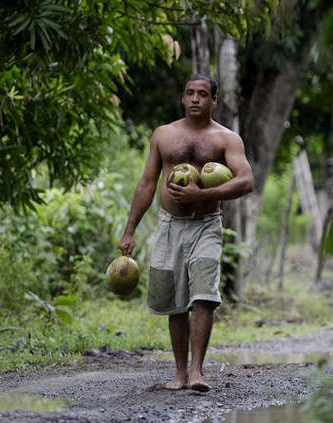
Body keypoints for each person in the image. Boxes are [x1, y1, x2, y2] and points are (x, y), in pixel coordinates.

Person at [118, 73, 253, 392]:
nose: (195, 99)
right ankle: (179, 374)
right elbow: (147, 183)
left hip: (206, 225)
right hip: (169, 226)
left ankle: (197, 372)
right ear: (182, 98)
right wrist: (129, 231)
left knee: (204, 297)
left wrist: (202, 196)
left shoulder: (226, 139)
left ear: (214, 101)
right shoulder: (163, 135)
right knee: (175, 301)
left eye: (203, 94)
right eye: (190, 93)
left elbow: (246, 180)